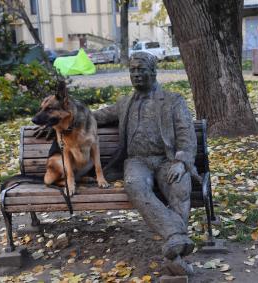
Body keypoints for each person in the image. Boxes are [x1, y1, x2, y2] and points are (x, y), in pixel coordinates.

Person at [94, 52, 197, 274]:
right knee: (134, 184)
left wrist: (181, 162)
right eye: (133, 70)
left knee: (180, 183)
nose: (137, 75)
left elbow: (186, 135)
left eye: (141, 70)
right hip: (137, 162)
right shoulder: (124, 103)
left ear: (153, 71)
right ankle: (176, 237)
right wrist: (59, 117)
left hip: (167, 159)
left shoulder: (173, 101)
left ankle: (175, 251)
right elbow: (94, 117)